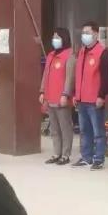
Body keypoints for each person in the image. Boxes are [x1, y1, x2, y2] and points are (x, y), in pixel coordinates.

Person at [73, 22, 108, 170]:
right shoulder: (82, 52)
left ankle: (99, 159)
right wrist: (76, 95)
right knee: (84, 131)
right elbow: (78, 76)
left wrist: (101, 96)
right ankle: (86, 157)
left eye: (88, 33)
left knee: (98, 132)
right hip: (81, 99)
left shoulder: (102, 52)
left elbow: (106, 77)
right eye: (83, 33)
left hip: (95, 100)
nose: (85, 36)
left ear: (96, 34)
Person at [39, 27, 75, 165]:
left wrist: (65, 94)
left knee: (65, 128)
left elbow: (70, 78)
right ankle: (56, 153)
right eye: (54, 37)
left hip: (61, 98)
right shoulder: (51, 55)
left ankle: (65, 155)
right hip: (50, 96)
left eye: (57, 37)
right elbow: (45, 75)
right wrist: (42, 91)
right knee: (54, 128)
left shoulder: (69, 55)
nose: (54, 40)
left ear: (64, 39)